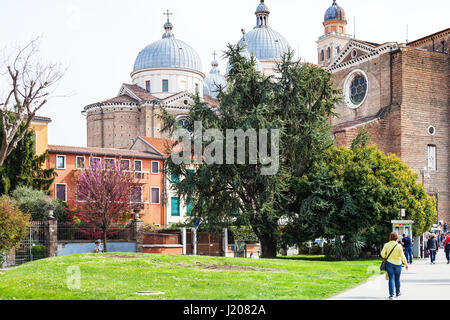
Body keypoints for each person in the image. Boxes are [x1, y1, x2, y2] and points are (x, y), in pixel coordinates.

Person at [381, 232, 408, 300]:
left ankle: (391, 295)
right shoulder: (399, 246)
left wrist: (386, 256)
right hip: (398, 264)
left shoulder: (386, 245)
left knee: (391, 279)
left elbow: (382, 254)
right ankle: (398, 292)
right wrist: (406, 263)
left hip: (389, 263)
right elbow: (402, 255)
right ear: (397, 237)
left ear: (390, 237)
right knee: (397, 279)